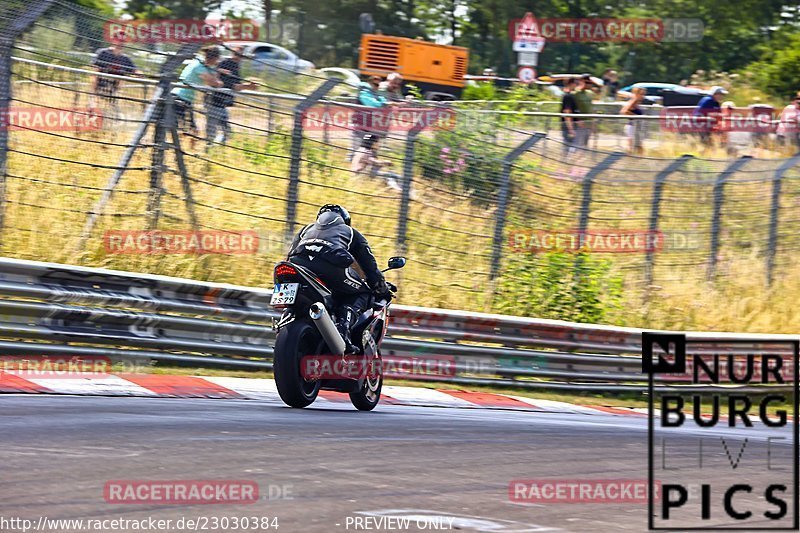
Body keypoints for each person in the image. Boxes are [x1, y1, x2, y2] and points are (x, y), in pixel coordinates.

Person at [287, 204, 390, 353]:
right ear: (345, 220)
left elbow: (290, 256)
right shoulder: (351, 232)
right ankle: (343, 331)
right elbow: (369, 266)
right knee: (361, 293)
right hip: (331, 266)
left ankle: (286, 321)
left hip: (299, 266)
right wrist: (381, 288)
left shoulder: (305, 230)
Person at [205, 45, 257, 146]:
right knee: (213, 131)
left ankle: (215, 149)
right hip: (214, 102)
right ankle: (209, 149)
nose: (239, 57)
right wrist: (248, 86)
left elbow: (234, 84)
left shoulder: (235, 65)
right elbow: (228, 85)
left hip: (221, 104)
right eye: (237, 54)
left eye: (241, 55)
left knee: (225, 131)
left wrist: (247, 86)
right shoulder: (225, 63)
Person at [171, 46, 223, 146]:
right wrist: (217, 73)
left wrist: (215, 71)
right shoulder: (199, 66)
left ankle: (186, 151)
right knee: (186, 129)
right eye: (217, 59)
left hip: (186, 99)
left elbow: (214, 80)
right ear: (214, 58)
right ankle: (180, 150)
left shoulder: (202, 65)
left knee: (191, 130)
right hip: (179, 98)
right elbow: (213, 83)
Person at [91, 41, 138, 120]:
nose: (121, 43)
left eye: (122, 41)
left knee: (113, 108)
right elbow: (95, 70)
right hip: (101, 85)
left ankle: (115, 120)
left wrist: (141, 75)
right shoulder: (103, 53)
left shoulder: (125, 59)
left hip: (114, 89)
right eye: (119, 40)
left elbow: (135, 71)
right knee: (94, 106)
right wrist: (94, 87)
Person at [350, 75, 391, 160]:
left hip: (370, 127)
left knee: (369, 149)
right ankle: (354, 165)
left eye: (378, 85)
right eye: (375, 85)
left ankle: (371, 164)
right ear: (369, 83)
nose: (377, 87)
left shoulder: (375, 94)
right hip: (360, 126)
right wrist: (385, 105)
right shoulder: (364, 92)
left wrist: (392, 104)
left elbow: (383, 101)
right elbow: (373, 104)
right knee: (358, 150)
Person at [621, 87, 646, 154]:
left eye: (644, 94)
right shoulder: (634, 101)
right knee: (633, 146)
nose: (643, 96)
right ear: (636, 94)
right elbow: (624, 111)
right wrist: (636, 116)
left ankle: (636, 161)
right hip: (632, 126)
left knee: (637, 146)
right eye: (641, 94)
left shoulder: (636, 102)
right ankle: (633, 161)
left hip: (635, 126)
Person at [560, 78, 580, 155]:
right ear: (571, 84)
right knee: (569, 146)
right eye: (576, 83)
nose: (577, 85)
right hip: (568, 126)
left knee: (570, 146)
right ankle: (565, 162)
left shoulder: (571, 95)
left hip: (571, 125)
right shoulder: (568, 96)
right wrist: (570, 128)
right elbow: (567, 112)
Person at [573, 75, 594, 147]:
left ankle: (582, 157)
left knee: (585, 144)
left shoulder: (590, 93)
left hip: (588, 122)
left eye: (590, 82)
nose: (589, 84)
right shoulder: (575, 93)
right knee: (577, 143)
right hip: (580, 123)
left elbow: (591, 107)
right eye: (587, 82)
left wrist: (592, 123)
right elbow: (574, 108)